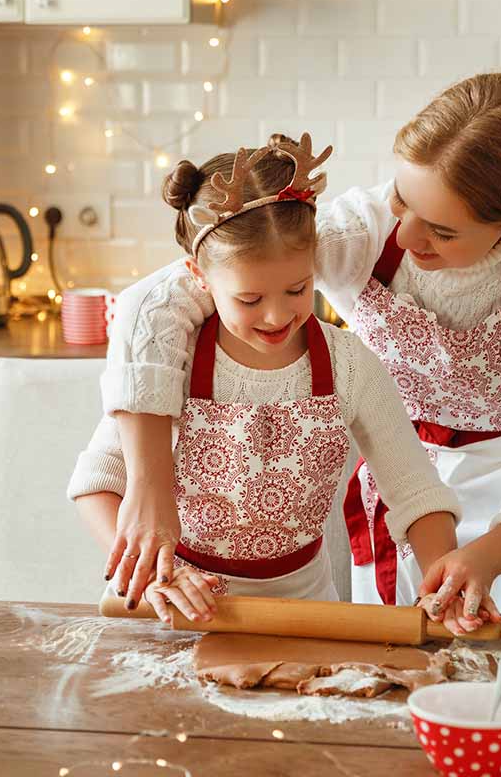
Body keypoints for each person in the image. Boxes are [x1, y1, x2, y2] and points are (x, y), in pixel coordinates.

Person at [98, 74, 501, 634]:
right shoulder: (361, 231)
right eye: (402, 199)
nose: (403, 237)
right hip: (409, 515)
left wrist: (486, 556)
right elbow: (157, 297)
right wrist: (149, 491)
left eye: (443, 231)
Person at [67, 135, 463, 626]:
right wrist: (153, 573)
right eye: (250, 299)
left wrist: (445, 579)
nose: (277, 315)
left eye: (297, 290)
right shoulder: (174, 361)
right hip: (180, 613)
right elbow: (97, 483)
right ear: (200, 277)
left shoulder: (350, 366)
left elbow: (417, 492)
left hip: (307, 615)